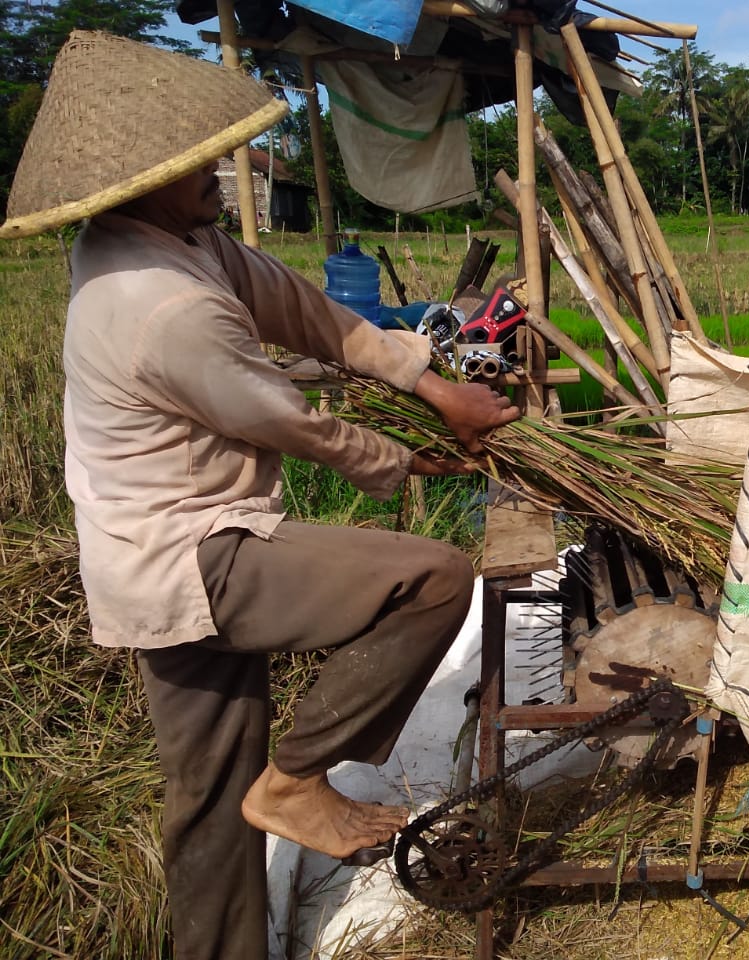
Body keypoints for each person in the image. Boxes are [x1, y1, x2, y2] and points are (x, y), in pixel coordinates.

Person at [1, 31, 521, 960]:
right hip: (193, 553)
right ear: (147, 179)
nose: (220, 174)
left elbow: (306, 312)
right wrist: (400, 462)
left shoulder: (174, 244)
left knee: (207, 798)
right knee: (436, 577)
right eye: (199, 163)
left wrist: (430, 385)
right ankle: (299, 779)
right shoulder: (164, 305)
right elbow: (286, 420)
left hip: (146, 559)